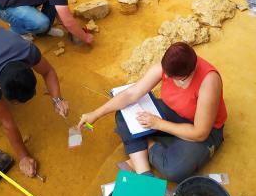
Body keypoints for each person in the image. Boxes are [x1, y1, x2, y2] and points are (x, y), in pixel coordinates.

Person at [78, 42, 227, 182]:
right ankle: (144, 174)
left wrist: (158, 124)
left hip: (204, 130)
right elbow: (131, 94)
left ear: (187, 74)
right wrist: (96, 113)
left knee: (175, 169)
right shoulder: (169, 66)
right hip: (172, 112)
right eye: (166, 74)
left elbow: (200, 133)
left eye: (173, 78)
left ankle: (145, 143)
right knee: (123, 114)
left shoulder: (209, 82)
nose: (166, 77)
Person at [0, 23, 69, 177]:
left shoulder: (26, 51)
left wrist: (57, 99)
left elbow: (48, 71)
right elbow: (7, 124)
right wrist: (23, 156)